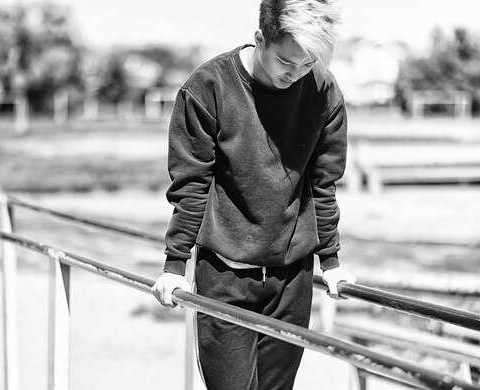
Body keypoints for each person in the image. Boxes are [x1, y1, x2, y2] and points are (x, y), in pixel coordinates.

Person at [152, 0, 356, 388]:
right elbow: (191, 185)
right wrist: (174, 265)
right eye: (286, 61)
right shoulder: (209, 87)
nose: (296, 75)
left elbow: (323, 182)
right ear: (261, 39)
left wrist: (330, 261)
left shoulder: (324, 91)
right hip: (225, 274)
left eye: (308, 64)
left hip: (293, 277)